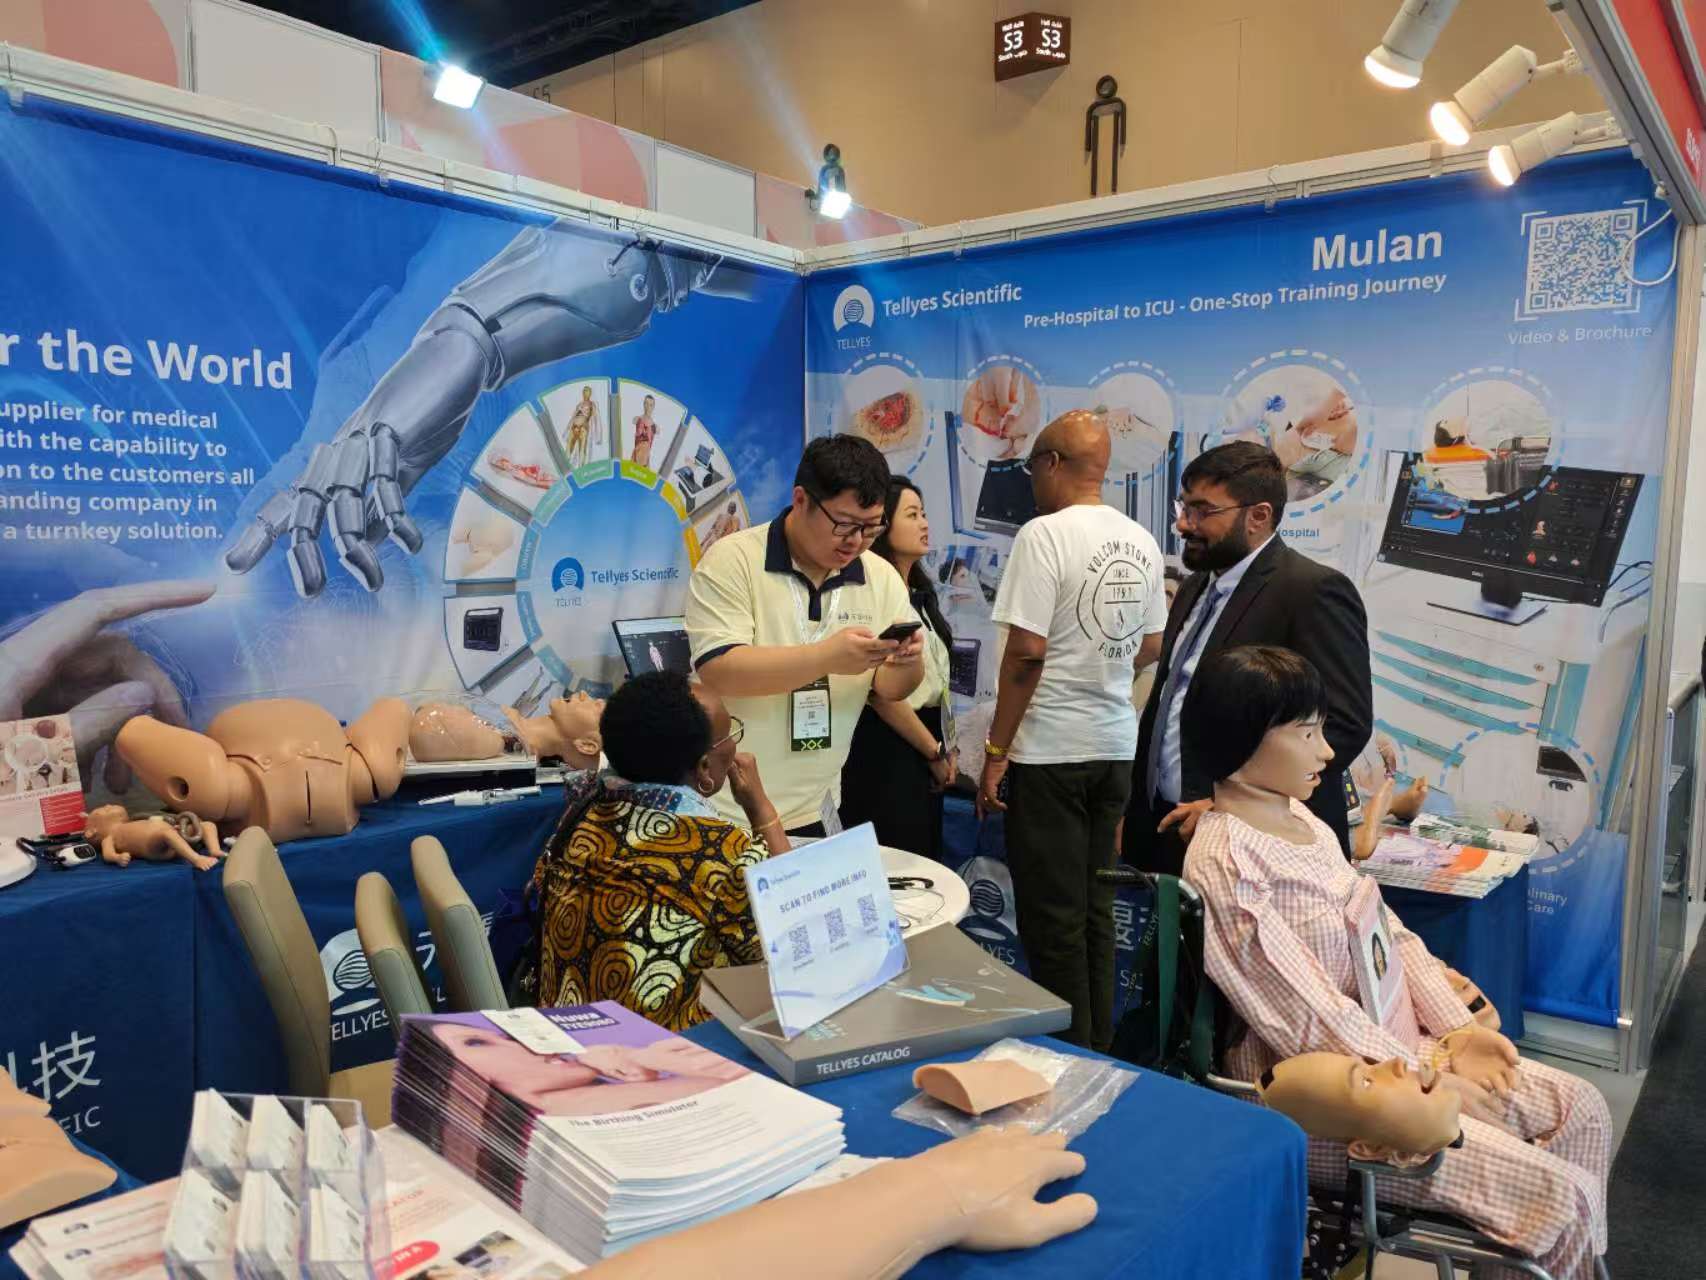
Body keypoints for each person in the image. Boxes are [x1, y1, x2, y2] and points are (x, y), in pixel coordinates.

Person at [1182, 644, 1609, 1280]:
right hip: (1330, 1098)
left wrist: (1458, 1034)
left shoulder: (1305, 822)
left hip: (1396, 1050)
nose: (1326, 751)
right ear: (1241, 739)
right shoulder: (1227, 863)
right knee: (1563, 1199)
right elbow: (1309, 1018)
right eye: (1306, 733)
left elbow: (1388, 934)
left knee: (1585, 1110)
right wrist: (1426, 1082)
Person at [975, 411, 1166, 1050]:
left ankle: (1074, 1064)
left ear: (1052, 464)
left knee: (1053, 922)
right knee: (1094, 914)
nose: (1032, 482)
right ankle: (1100, 1052)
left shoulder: (1044, 535)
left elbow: (1026, 654)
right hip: (1113, 748)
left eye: (1033, 467)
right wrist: (1099, 668)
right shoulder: (1140, 539)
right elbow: (1151, 643)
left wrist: (996, 752)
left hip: (1051, 753)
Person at [1123, 441, 1372, 876]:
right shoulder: (1194, 587)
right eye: (1184, 507)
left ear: (1258, 516)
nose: (1183, 524)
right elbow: (1171, 702)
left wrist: (1230, 805)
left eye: (1203, 511)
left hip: (1260, 847)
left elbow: (1345, 724)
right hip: (1169, 827)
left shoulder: (1312, 591)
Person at [686, 436, 924, 835]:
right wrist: (827, 657)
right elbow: (720, 670)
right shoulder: (733, 560)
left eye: (870, 528)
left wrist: (908, 663)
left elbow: (889, 689)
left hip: (820, 805)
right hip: (726, 807)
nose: (855, 541)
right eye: (844, 524)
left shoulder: (880, 576)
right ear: (801, 500)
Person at [529, 671, 789, 1031]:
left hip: (568, 1036)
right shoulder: (723, 852)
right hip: (661, 1051)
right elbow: (792, 940)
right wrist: (760, 808)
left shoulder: (579, 817)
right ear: (704, 768)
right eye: (730, 734)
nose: (734, 743)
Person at [838, 477, 956, 857]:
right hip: (890, 745)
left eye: (924, 514)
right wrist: (933, 752)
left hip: (928, 740)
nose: (924, 523)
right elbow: (879, 693)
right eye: (912, 514)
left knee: (928, 859)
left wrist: (944, 747)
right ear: (883, 525)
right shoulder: (869, 594)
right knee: (898, 860)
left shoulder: (921, 596)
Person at [631, 394, 658, 466]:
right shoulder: (637, 419)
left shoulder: (655, 426)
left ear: (653, 407)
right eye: (646, 403)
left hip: (645, 458)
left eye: (650, 405)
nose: (648, 407)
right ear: (643, 404)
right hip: (636, 455)